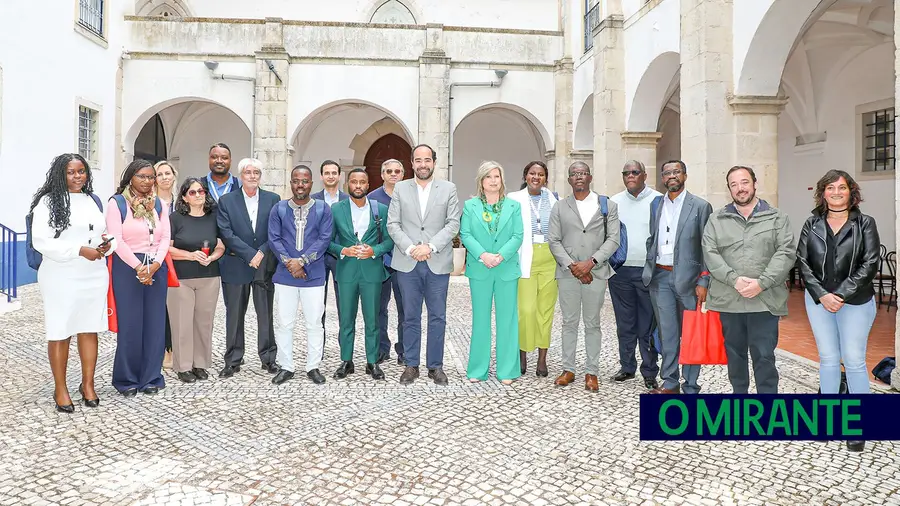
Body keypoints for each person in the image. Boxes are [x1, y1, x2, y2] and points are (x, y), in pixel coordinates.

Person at [797, 170, 879, 453]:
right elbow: (802, 262)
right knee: (829, 359)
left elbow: (870, 263)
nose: (835, 192)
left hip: (855, 301)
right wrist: (822, 295)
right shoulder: (811, 223)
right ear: (822, 193)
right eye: (830, 188)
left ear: (850, 192)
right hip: (819, 301)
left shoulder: (865, 223)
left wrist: (841, 295)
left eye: (841, 188)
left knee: (854, 361)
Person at [30, 153, 114, 412]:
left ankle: (87, 385)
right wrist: (79, 250)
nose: (78, 176)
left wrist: (107, 245)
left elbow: (101, 231)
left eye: (81, 171)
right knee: (61, 330)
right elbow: (42, 241)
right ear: (60, 174)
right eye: (71, 172)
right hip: (61, 274)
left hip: (94, 273)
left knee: (90, 327)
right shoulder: (47, 203)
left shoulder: (92, 200)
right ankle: (61, 388)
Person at [702, 165, 795, 394]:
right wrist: (734, 280)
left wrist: (761, 283)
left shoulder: (777, 218)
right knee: (735, 356)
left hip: (764, 300)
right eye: (734, 184)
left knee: (764, 356)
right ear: (729, 190)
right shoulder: (717, 219)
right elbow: (710, 252)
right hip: (729, 299)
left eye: (744, 182)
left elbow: (786, 253)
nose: (740, 188)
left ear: (754, 184)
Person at [387, 144, 461, 385]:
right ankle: (411, 365)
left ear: (434, 162)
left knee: (437, 316)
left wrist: (429, 246)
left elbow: (452, 223)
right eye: (418, 160)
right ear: (411, 163)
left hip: (436, 261)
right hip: (407, 262)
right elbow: (393, 224)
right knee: (409, 316)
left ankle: (435, 366)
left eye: (427, 160)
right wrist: (411, 248)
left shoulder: (448, 188)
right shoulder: (400, 188)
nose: (422, 164)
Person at [548, 161, 620, 392]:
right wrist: (573, 266)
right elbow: (554, 240)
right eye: (574, 174)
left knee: (593, 323)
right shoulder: (559, 207)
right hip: (567, 274)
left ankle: (592, 372)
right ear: (569, 180)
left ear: (590, 177)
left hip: (596, 273)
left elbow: (613, 240)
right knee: (569, 322)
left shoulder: (608, 206)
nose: (578, 176)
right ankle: (568, 369)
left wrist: (591, 263)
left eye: (583, 173)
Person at [642, 160, 712, 394]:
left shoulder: (700, 206)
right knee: (667, 334)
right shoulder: (655, 204)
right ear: (662, 178)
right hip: (660, 277)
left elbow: (707, 247)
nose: (672, 176)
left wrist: (704, 280)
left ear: (685, 175)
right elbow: (653, 236)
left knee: (691, 334)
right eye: (667, 173)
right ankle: (670, 383)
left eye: (676, 172)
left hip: (690, 281)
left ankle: (691, 385)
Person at [106, 159, 171, 396]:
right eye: (141, 176)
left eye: (150, 177)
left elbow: (165, 237)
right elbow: (116, 239)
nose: (147, 181)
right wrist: (138, 267)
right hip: (127, 267)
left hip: (156, 265)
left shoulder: (160, 205)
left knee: (154, 324)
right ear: (130, 177)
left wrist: (155, 264)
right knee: (131, 324)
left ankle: (152, 376)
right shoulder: (118, 203)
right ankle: (127, 379)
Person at [268, 165, 334, 385]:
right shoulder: (279, 208)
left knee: (314, 323)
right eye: (296, 180)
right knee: (285, 323)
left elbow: (324, 239)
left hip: (313, 275)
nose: (300, 185)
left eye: (304, 181)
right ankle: (286, 365)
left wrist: (303, 262)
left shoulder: (323, 209)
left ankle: (313, 366)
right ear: (291, 183)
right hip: (286, 275)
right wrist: (290, 263)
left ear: (311, 184)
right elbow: (274, 239)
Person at [459, 161, 523, 384]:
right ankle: (477, 369)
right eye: (489, 177)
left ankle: (507, 370)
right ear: (481, 181)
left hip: (506, 268)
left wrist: (500, 256)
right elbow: (465, 234)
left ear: (502, 180)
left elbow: (518, 236)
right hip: (480, 268)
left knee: (507, 320)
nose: (493, 180)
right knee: (480, 320)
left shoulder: (513, 206)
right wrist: (483, 255)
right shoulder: (470, 206)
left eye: (497, 176)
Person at [216, 158, 281, 378]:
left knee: (266, 314)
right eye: (247, 172)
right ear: (240, 175)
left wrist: (260, 253)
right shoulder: (226, 201)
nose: (252, 176)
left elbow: (275, 231)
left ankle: (269, 358)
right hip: (236, 265)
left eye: (256, 173)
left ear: (261, 176)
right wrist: (249, 254)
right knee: (234, 314)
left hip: (264, 266)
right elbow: (226, 232)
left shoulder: (273, 199)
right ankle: (233, 359)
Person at [328, 168, 394, 381]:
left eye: (362, 182)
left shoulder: (381, 209)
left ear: (368, 185)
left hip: (372, 272)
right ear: (348, 184)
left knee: (372, 318)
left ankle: (372, 361)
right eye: (354, 182)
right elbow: (326, 240)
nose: (358, 185)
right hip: (346, 271)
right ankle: (346, 360)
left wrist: (374, 250)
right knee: (346, 318)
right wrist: (343, 250)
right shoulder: (336, 209)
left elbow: (390, 240)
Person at [166, 178, 225, 383]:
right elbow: (167, 248)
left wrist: (213, 257)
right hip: (181, 278)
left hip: (209, 276)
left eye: (201, 191)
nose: (198, 195)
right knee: (182, 322)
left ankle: (200, 364)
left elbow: (221, 245)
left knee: (203, 322)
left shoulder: (213, 218)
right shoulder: (175, 219)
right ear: (184, 197)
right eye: (192, 192)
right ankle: (183, 366)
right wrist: (190, 255)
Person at [609, 160, 662, 389]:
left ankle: (649, 371)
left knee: (647, 326)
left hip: (648, 272)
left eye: (635, 172)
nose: (630, 175)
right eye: (626, 172)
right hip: (620, 272)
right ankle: (627, 366)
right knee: (625, 323)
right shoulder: (614, 202)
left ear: (644, 175)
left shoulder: (659, 200)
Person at [507, 161, 558, 377]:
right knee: (526, 310)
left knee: (545, 311)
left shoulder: (554, 199)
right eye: (532, 173)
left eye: (540, 174)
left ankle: (542, 358)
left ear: (546, 178)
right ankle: (522, 354)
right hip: (526, 257)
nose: (536, 177)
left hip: (550, 259)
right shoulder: (514, 198)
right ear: (525, 176)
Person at [368, 158, 407, 365]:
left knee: (405, 309)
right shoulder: (372, 199)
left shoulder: (410, 196)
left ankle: (404, 350)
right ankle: (382, 348)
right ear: (382, 174)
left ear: (403, 174)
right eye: (389, 171)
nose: (393, 174)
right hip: (380, 262)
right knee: (378, 309)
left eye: (397, 171)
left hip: (404, 261)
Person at [312, 160, 349, 341]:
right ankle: (319, 346)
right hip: (317, 258)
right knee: (318, 304)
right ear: (321, 176)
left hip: (341, 257)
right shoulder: (313, 200)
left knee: (345, 304)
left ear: (340, 176)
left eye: (334, 173)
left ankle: (345, 348)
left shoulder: (348, 200)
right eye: (327, 173)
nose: (331, 176)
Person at [154, 160, 178, 370]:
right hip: (159, 258)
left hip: (180, 259)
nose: (164, 177)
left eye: (167, 173)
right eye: (159, 174)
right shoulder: (150, 203)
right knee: (160, 307)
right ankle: (163, 349)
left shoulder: (182, 201)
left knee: (176, 308)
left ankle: (175, 348)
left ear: (173, 176)